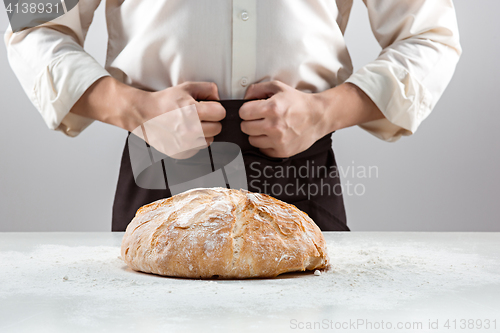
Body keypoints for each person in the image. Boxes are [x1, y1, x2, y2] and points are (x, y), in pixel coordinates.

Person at [4, 0, 461, 232]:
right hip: (161, 164)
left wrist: (326, 111)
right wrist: (134, 109)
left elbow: (431, 36)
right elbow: (30, 24)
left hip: (298, 172)